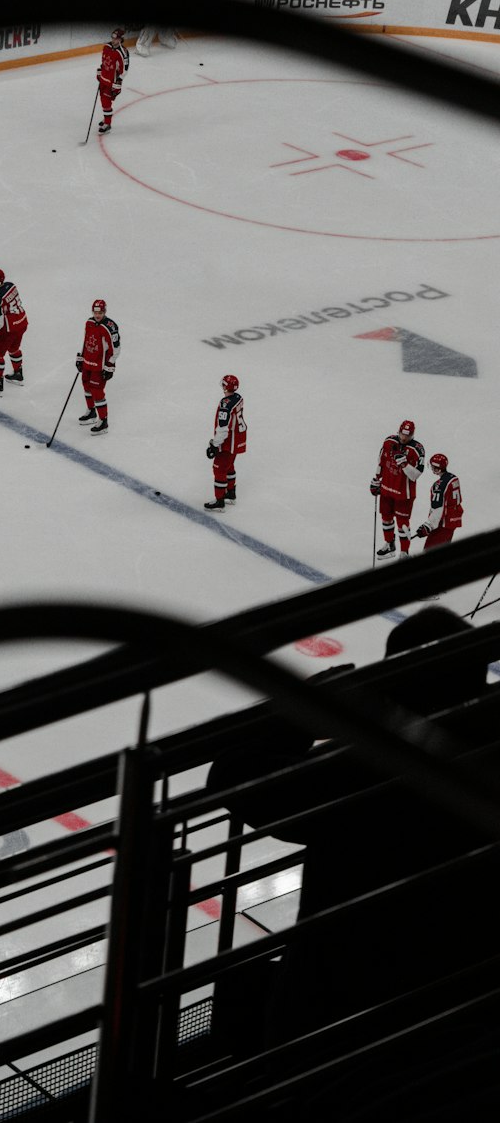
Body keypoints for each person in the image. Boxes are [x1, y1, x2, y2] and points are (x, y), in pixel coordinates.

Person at [206, 606, 499, 1047]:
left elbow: (233, 775)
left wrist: (303, 712)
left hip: (345, 1004)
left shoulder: (363, 776)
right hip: (471, 992)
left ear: (391, 691)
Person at [371, 417, 424, 556]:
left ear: (412, 435)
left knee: (403, 525)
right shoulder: (389, 442)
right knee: (386, 518)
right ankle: (389, 544)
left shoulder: (417, 449)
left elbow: (415, 475)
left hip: (404, 494)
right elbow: (381, 463)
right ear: (399, 431)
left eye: (408, 435)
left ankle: (404, 553)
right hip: (386, 488)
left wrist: (404, 464)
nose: (404, 437)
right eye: (402, 434)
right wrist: (376, 480)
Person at [77, 299, 120, 434]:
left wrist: (110, 365)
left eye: (100, 312)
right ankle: (91, 412)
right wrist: (81, 358)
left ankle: (103, 421)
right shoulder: (89, 323)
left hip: (100, 366)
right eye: (95, 312)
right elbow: (85, 341)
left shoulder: (109, 327)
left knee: (97, 391)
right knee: (86, 385)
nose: (97, 315)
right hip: (88, 362)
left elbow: (116, 348)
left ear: (105, 312)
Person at [205, 374, 246, 510]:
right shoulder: (238, 398)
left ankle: (220, 501)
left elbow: (223, 428)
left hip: (228, 442)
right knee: (229, 466)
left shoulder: (225, 404)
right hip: (238, 439)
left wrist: (215, 444)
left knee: (219, 468)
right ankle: (231, 493)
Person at [416, 452, 462, 549]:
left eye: (433, 467)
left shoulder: (438, 485)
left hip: (443, 523)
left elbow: (438, 508)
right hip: (453, 521)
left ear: (437, 469)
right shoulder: (453, 478)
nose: (432, 468)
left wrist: (428, 526)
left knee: (429, 550)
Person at [96, 26, 130, 134]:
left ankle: (107, 124)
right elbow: (104, 61)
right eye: (112, 38)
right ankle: (106, 118)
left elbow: (124, 70)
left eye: (116, 38)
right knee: (103, 100)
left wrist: (118, 82)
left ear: (120, 39)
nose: (113, 40)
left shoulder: (123, 52)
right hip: (103, 79)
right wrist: (100, 72)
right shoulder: (106, 46)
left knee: (106, 102)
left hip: (112, 82)